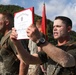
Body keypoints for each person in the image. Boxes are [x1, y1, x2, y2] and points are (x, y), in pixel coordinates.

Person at [10, 16, 76, 75]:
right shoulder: (51, 48)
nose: (54, 29)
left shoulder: (73, 46)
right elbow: (28, 59)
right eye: (54, 27)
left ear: (69, 29)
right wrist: (17, 43)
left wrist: (39, 40)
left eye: (58, 26)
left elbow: (66, 61)